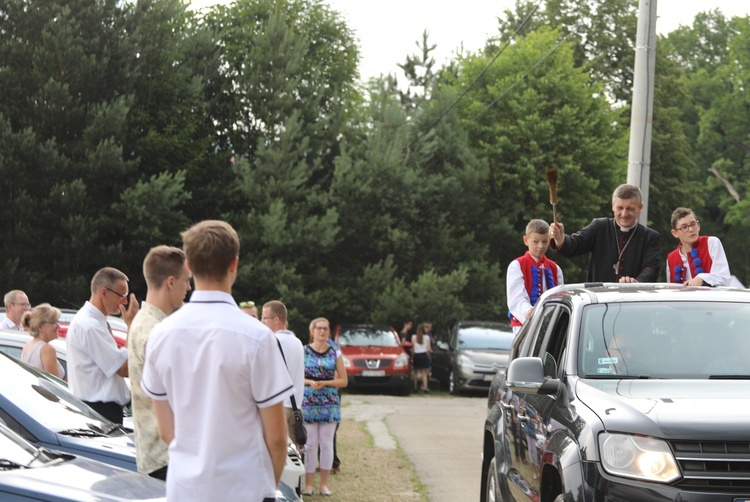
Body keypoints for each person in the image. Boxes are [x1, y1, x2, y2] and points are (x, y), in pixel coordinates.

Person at [141, 220, 293, 502]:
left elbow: (166, 431)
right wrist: (266, 488)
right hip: (244, 489)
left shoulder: (161, 335)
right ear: (234, 264)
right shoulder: (258, 338)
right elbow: (277, 437)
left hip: (185, 489)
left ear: (188, 265)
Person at [127, 245, 192, 480]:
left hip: (158, 453)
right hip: (167, 455)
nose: (189, 288)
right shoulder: (156, 331)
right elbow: (181, 397)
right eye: (186, 281)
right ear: (171, 282)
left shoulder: (147, 323)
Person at [67, 267, 138, 424]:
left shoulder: (93, 322)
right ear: (104, 293)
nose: (125, 302)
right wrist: (131, 325)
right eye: (122, 295)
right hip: (100, 413)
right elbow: (124, 368)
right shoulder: (90, 325)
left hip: (101, 410)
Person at [549, 183, 661, 283]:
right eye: (620, 208)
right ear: (613, 206)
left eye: (630, 209)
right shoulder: (599, 227)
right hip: (600, 300)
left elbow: (651, 268)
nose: (624, 213)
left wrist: (636, 283)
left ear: (640, 208)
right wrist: (560, 238)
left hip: (632, 300)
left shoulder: (650, 237)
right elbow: (575, 244)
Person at [302, 317, 347, 496]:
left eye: (325, 329)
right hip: (309, 402)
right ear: (312, 331)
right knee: (310, 444)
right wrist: (310, 382)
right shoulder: (303, 351)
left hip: (329, 402)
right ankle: (308, 484)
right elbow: (295, 376)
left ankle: (323, 485)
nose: (322, 332)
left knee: (326, 444)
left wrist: (326, 383)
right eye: (319, 328)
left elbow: (343, 380)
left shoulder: (335, 352)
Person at [507, 219, 564, 334]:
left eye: (544, 241)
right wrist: (530, 312)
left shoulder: (555, 268)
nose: (540, 246)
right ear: (526, 240)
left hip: (549, 325)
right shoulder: (517, 265)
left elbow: (560, 297)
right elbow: (516, 298)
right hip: (524, 325)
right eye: (535, 241)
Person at [262, 300, 305, 447]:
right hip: (295, 404)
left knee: (276, 451)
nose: (262, 322)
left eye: (264, 318)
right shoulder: (297, 342)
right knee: (294, 453)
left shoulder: (272, 340)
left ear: (276, 319)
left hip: (278, 405)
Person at [666, 207, 731, 286]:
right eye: (684, 227)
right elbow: (671, 289)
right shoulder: (671, 258)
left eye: (693, 224)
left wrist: (701, 278)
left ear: (698, 226)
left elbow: (724, 278)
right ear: (675, 233)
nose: (691, 229)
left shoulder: (712, 243)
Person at [20, 303, 64, 379]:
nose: (58, 326)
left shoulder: (29, 344)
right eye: (54, 322)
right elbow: (54, 385)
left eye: (58, 321)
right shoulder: (47, 349)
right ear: (40, 326)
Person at [411, 323, 433, 393]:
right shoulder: (427, 337)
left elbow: (413, 348)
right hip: (424, 355)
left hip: (416, 355)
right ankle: (425, 387)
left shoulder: (414, 337)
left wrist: (412, 355)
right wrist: (431, 353)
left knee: (415, 372)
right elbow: (429, 348)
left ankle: (415, 387)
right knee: (424, 373)